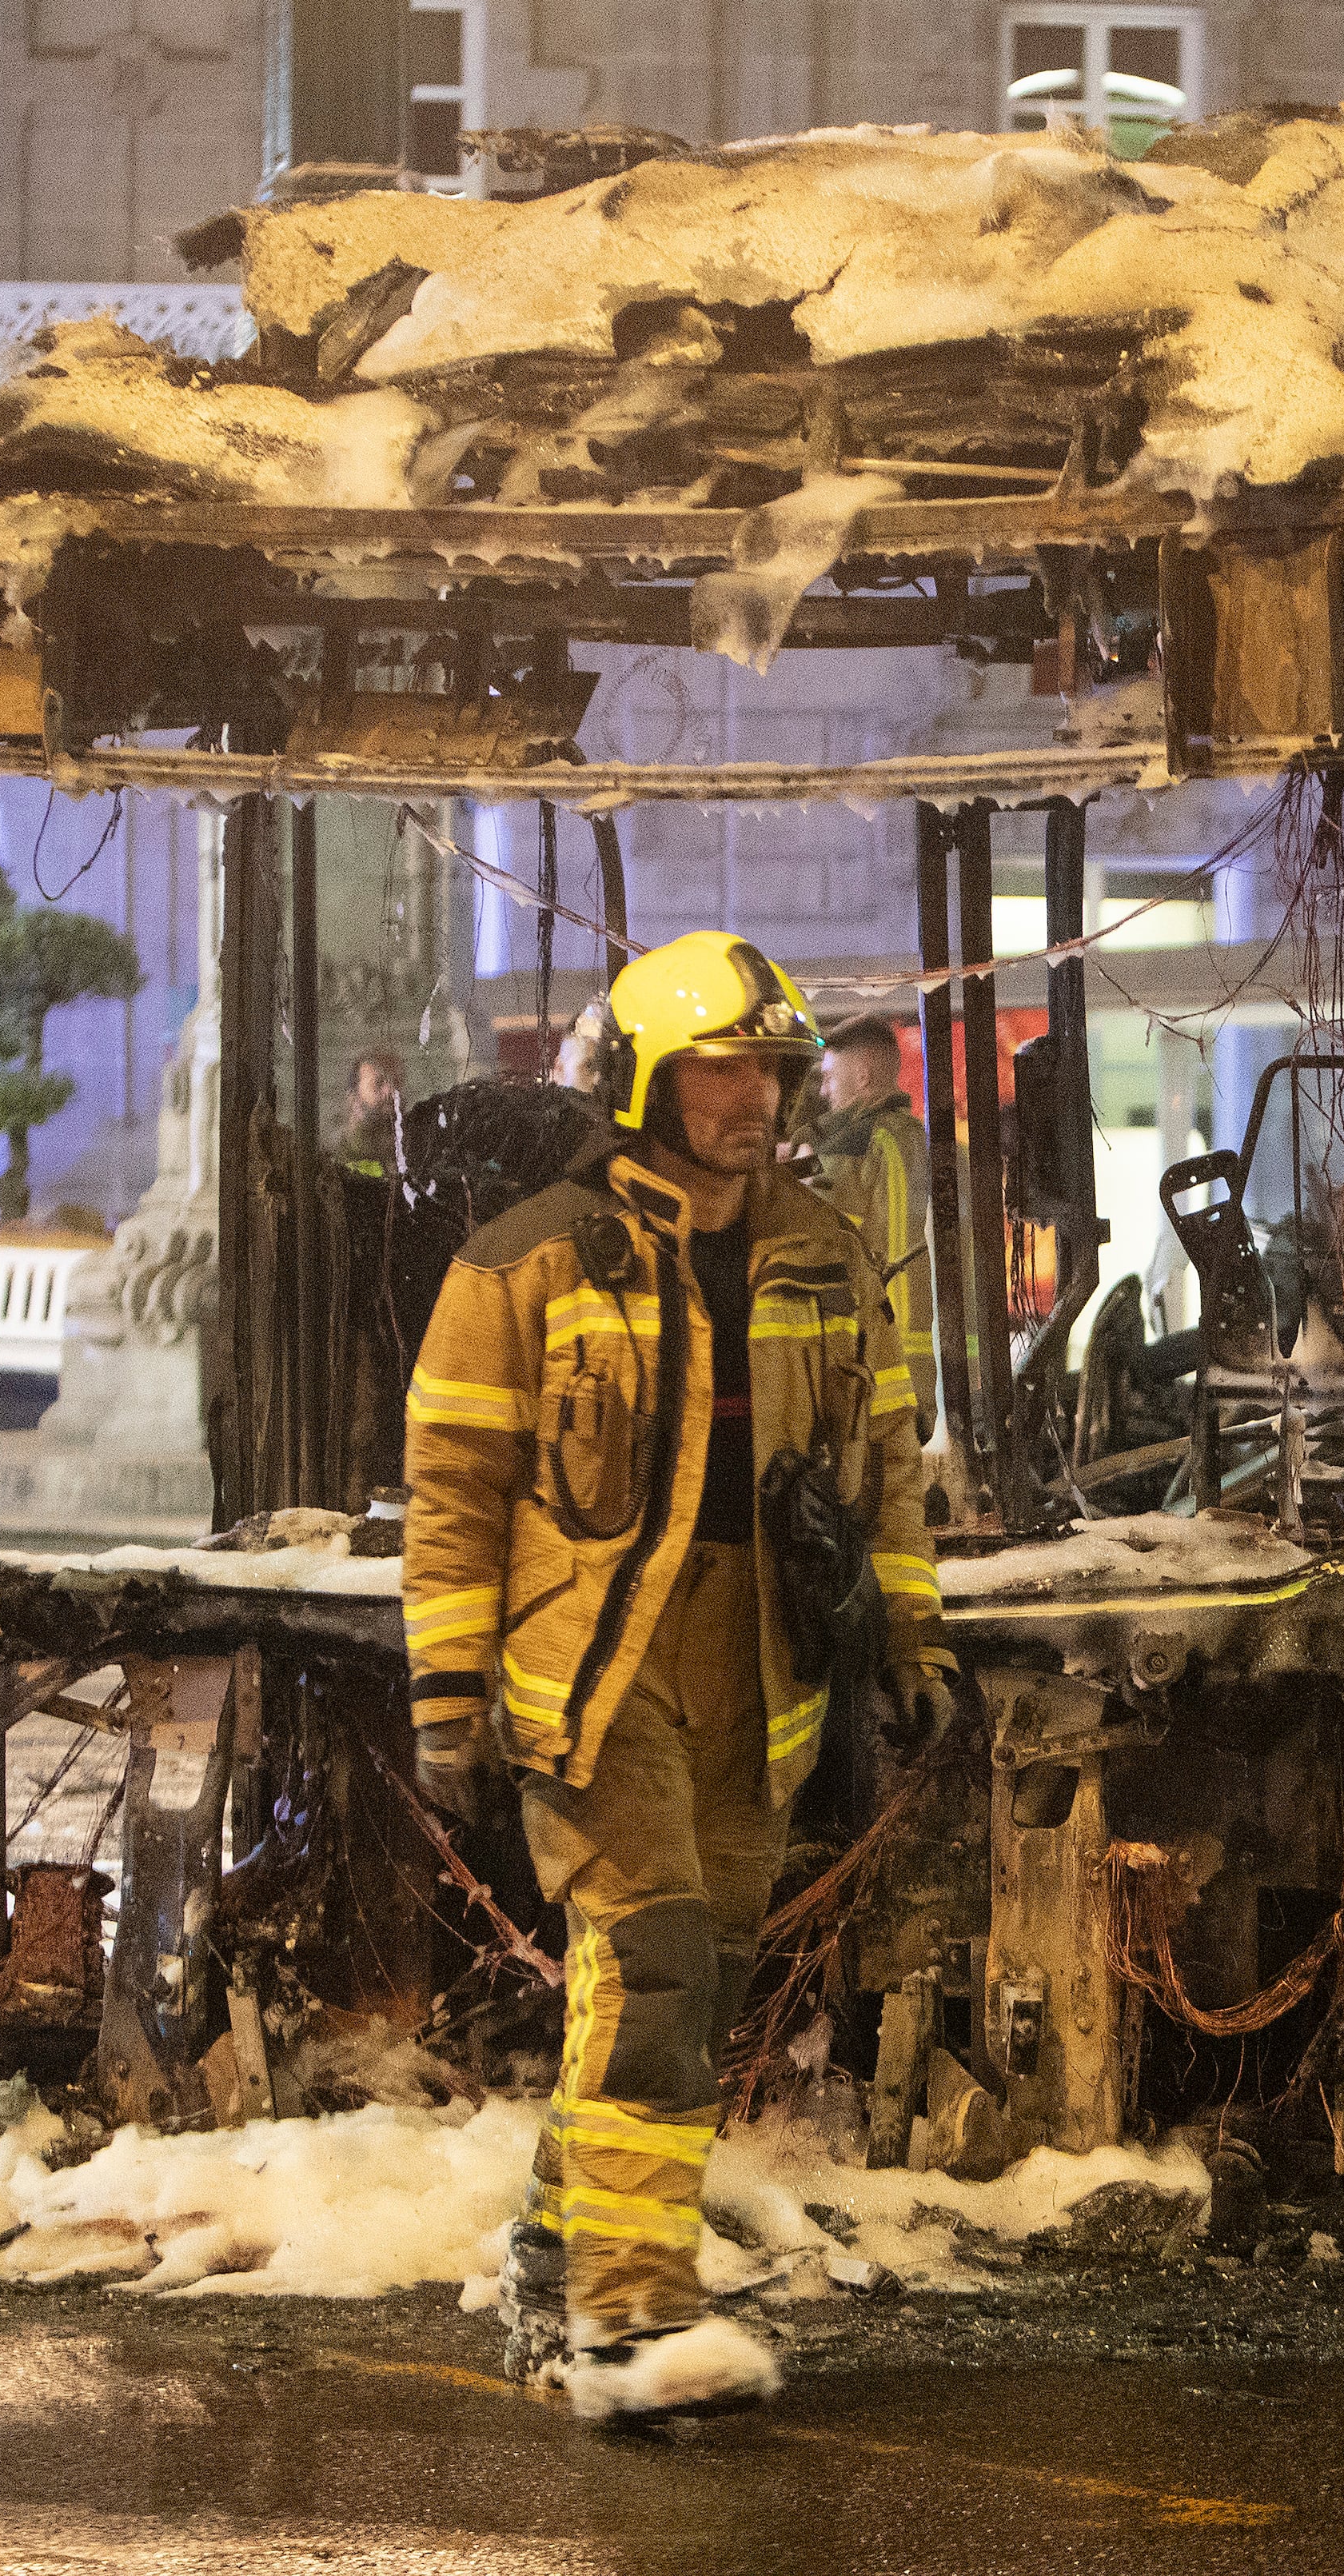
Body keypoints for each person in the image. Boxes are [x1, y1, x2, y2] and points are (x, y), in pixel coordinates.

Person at [400, 931, 955, 2426]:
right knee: (650, 1971)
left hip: (758, 1675)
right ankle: (630, 2320)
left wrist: (916, 1644)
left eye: (770, 1069)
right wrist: (446, 1697)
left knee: (670, 1990)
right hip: (599, 1670)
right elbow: (455, 1491)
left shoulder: (828, 1253)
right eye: (719, 1067)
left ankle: (546, 2252)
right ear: (646, 1078)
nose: (752, 1097)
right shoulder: (522, 1262)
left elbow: (888, 1465)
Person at [804, 1013, 939, 1427]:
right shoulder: (915, 1137)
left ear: (863, 1076)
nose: (824, 1092)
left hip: (884, 1371)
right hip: (921, 1373)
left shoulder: (860, 1146)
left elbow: (815, 1243)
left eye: (829, 1077)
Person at [338, 1048, 405, 1171]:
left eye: (396, 1082)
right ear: (354, 1099)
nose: (391, 1091)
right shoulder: (338, 1162)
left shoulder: (418, 1152)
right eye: (378, 1084)